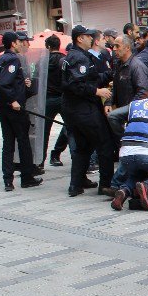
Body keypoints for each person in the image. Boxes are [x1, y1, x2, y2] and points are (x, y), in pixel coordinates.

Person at [61, 24, 114, 197]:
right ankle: (106, 184)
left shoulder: (76, 56)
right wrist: (97, 91)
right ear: (80, 38)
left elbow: (90, 77)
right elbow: (76, 84)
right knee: (105, 144)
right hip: (83, 109)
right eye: (88, 36)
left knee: (83, 147)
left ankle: (76, 184)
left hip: (74, 110)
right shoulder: (79, 58)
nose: (92, 39)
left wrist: (108, 76)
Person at [0, 31, 42, 192]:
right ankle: (27, 177)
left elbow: (7, 81)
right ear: (13, 43)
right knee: (23, 142)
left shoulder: (0, 59)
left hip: (3, 107)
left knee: (8, 143)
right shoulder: (13, 59)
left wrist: (23, 84)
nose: (21, 43)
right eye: (18, 41)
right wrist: (13, 100)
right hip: (13, 108)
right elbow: (4, 83)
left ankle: (8, 179)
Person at [43, 34, 71, 168]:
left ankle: (40, 161)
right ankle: (58, 153)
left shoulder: (42, 62)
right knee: (70, 127)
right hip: (63, 98)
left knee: (44, 131)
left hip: (47, 99)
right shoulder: (64, 61)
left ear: (47, 46)